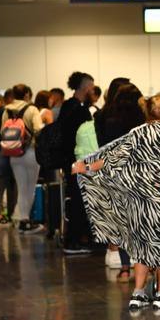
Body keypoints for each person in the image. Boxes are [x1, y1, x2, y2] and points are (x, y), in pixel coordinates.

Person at [75, 94, 160, 309]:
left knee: (142, 246)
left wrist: (86, 167)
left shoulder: (136, 133)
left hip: (138, 202)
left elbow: (111, 159)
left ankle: (138, 293)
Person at [93, 83, 146, 281]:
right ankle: (144, 267)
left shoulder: (102, 116)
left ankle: (125, 268)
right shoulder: (141, 119)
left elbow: (101, 146)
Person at [57, 71, 96, 255]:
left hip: (68, 161)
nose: (93, 91)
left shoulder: (67, 106)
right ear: (84, 87)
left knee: (76, 199)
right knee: (80, 201)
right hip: (78, 161)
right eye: (91, 87)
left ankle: (75, 238)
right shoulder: (80, 110)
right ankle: (73, 241)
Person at [3, 84, 44, 234]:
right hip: (31, 153)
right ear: (27, 94)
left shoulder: (7, 110)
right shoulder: (32, 109)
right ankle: (24, 221)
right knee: (30, 189)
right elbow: (38, 129)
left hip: (14, 153)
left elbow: (2, 131)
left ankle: (19, 218)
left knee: (21, 188)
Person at [0, 88, 17, 225]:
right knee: (12, 183)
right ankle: (11, 214)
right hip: (16, 150)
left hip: (3, 149)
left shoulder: (0, 112)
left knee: (0, 182)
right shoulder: (9, 111)